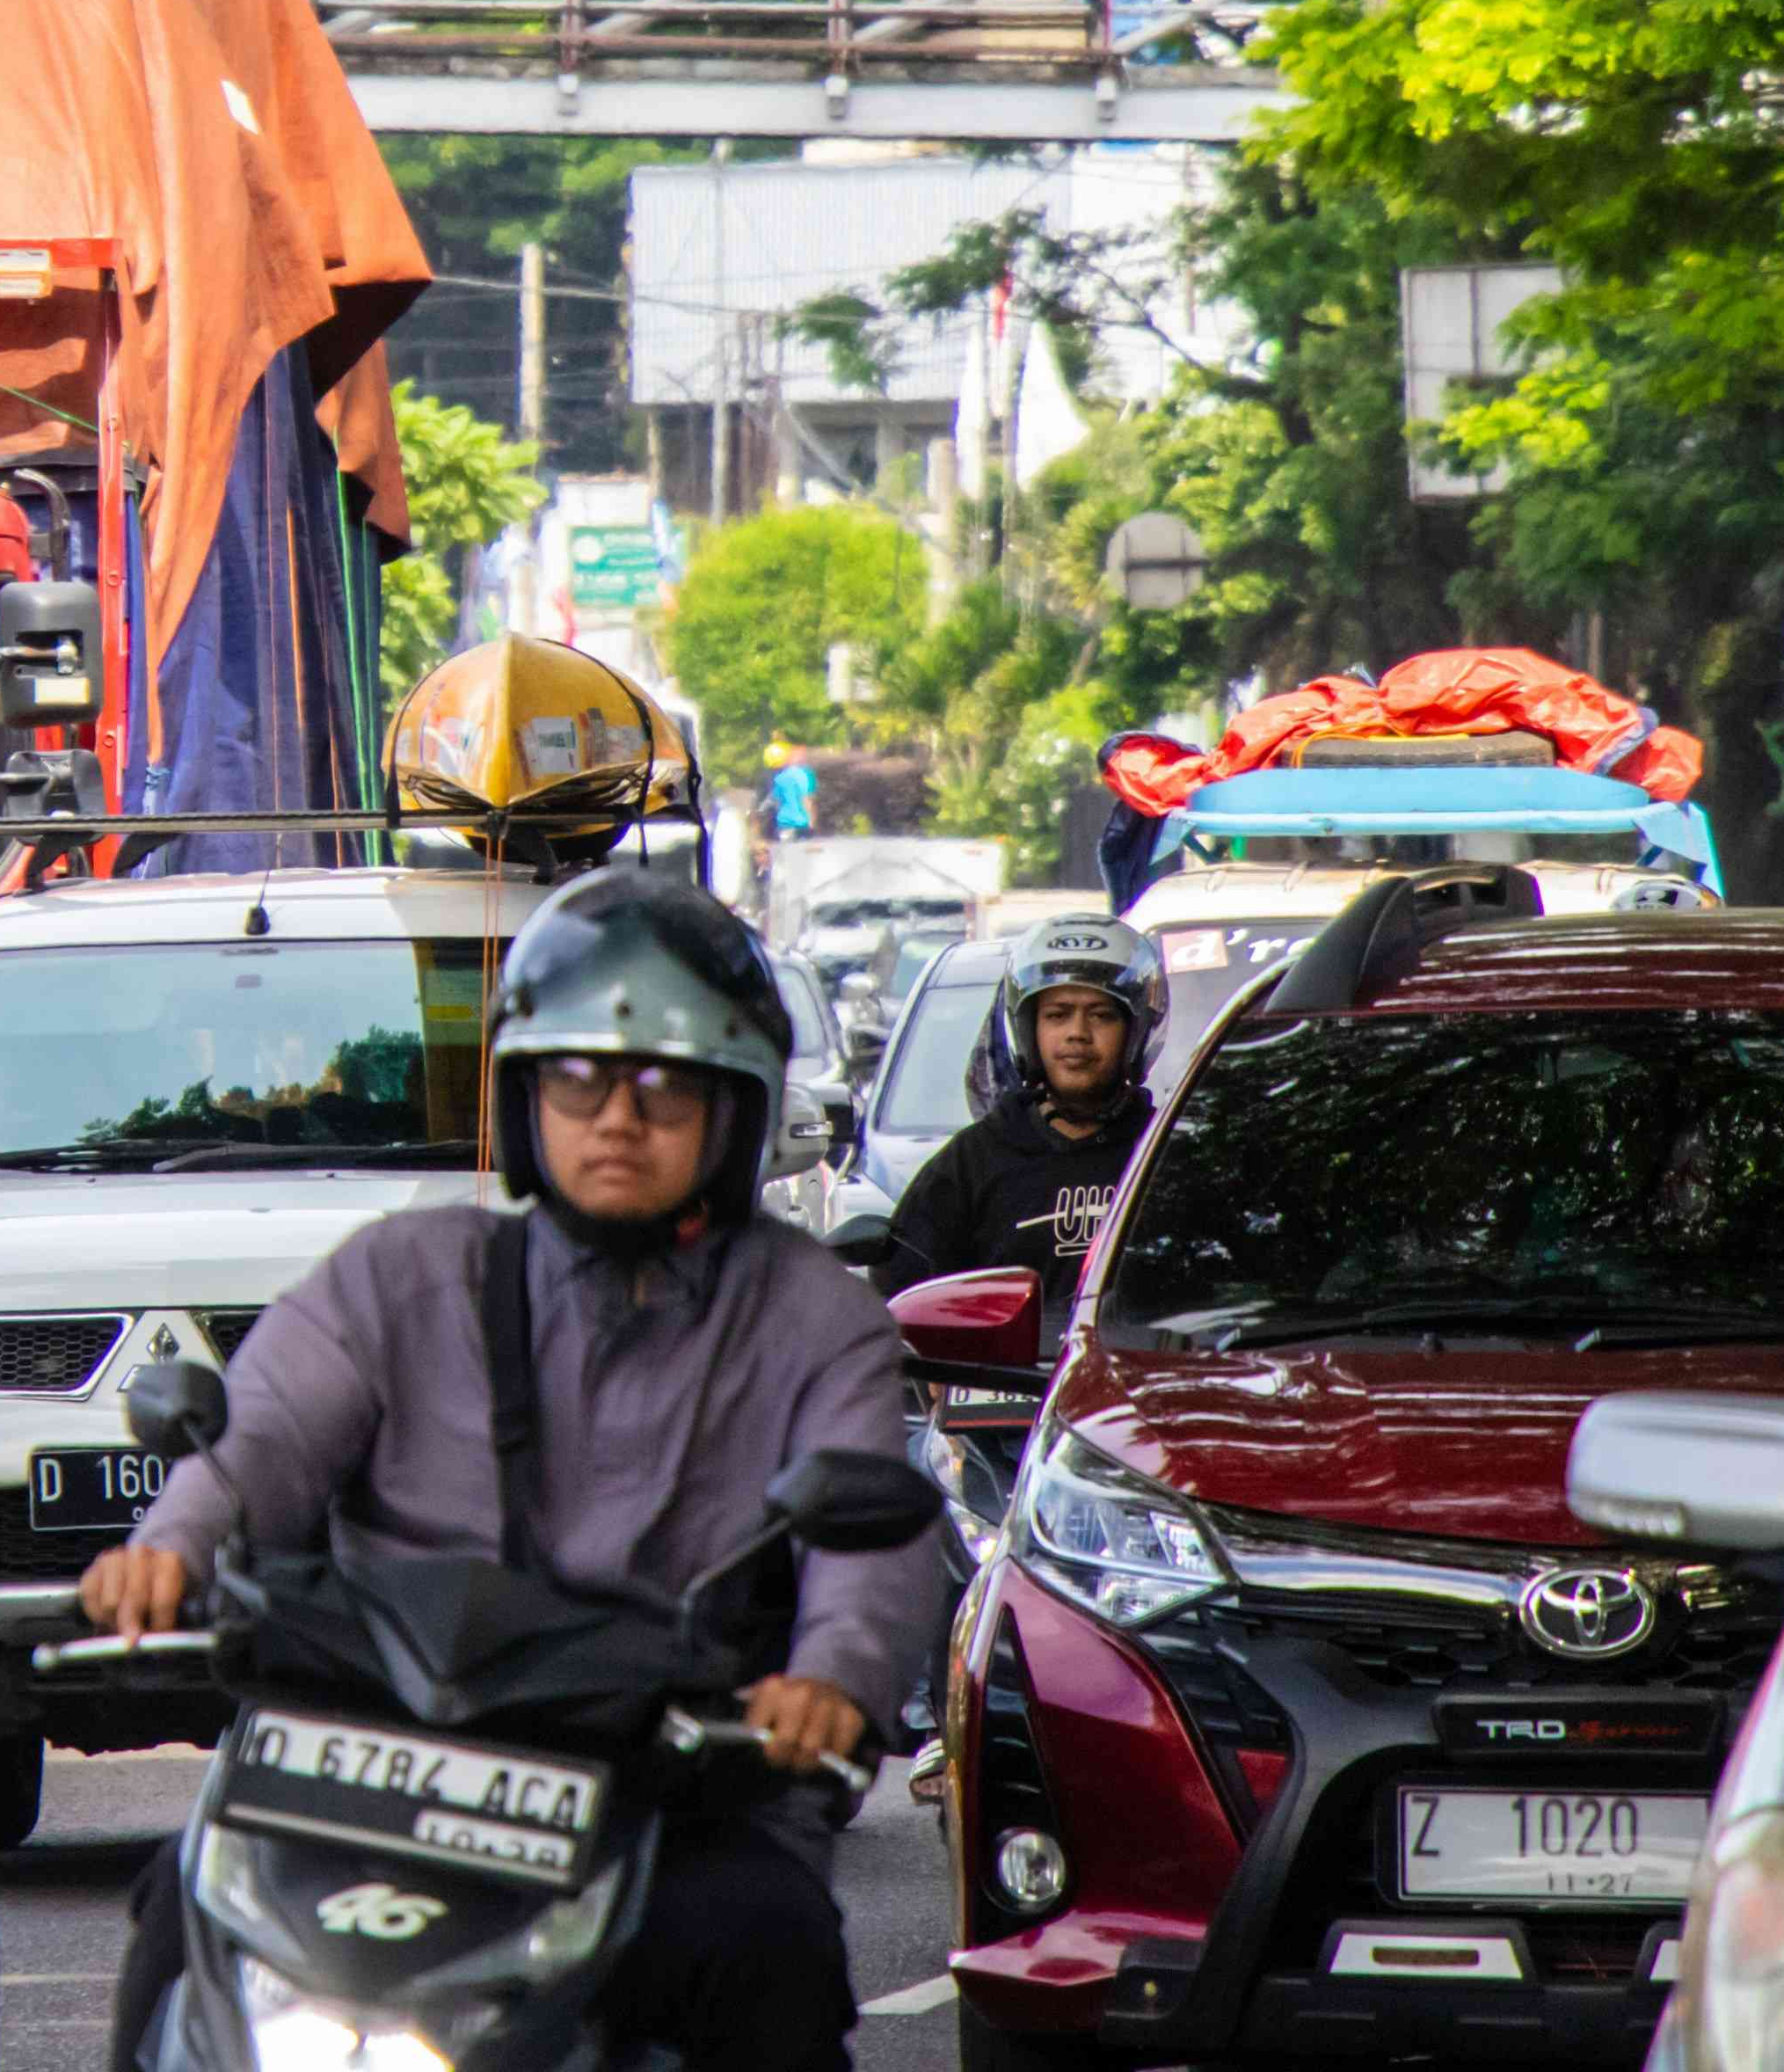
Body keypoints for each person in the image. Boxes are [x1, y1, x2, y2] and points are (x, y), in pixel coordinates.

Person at [76, 867, 928, 2072]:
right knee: (185, 1907)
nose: (617, 1118)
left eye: (663, 1085)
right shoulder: (401, 1275)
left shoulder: (815, 1320)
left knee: (769, 1949)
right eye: (578, 1078)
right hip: (374, 1763)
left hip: (678, 1784)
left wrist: (830, 1680)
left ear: (732, 1112)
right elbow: (259, 1435)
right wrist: (167, 1549)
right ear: (529, 1102)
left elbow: (868, 1541)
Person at [874, 913, 1163, 1325]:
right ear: (1028, 1030)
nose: (1077, 1033)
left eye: (1101, 1015)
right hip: (1007, 1386)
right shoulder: (971, 1164)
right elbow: (899, 1296)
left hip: (1130, 1383)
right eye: (1057, 1014)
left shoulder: (1166, 1154)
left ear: (1136, 1030)